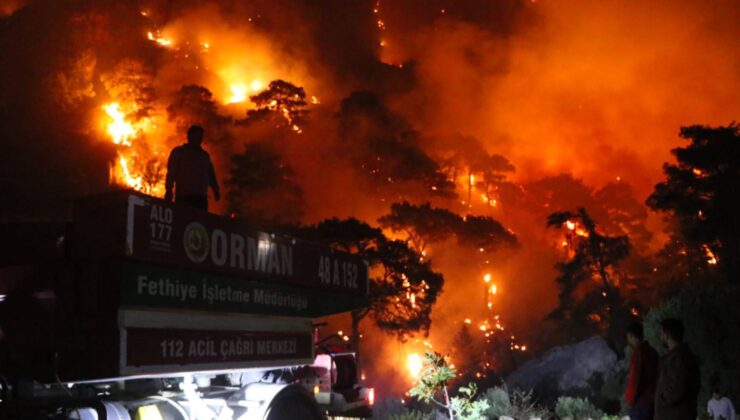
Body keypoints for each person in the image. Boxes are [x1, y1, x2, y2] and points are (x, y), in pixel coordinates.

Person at [164, 125, 220, 211]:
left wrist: (215, 190)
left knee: (199, 223)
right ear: (189, 136)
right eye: (197, 136)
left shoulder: (204, 156)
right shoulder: (179, 152)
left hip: (201, 198)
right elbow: (172, 172)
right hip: (184, 196)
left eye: (201, 136)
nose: (200, 139)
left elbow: (211, 174)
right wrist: (169, 190)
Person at [654, 318, 701, 420]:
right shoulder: (679, 356)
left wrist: (661, 400)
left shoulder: (679, 358)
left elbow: (676, 389)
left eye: (661, 333)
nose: (660, 336)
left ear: (667, 334)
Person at [624, 321, 659, 420]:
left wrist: (630, 399)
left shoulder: (638, 353)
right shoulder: (652, 351)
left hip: (641, 405)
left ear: (631, 336)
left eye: (628, 337)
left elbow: (635, 379)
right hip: (653, 403)